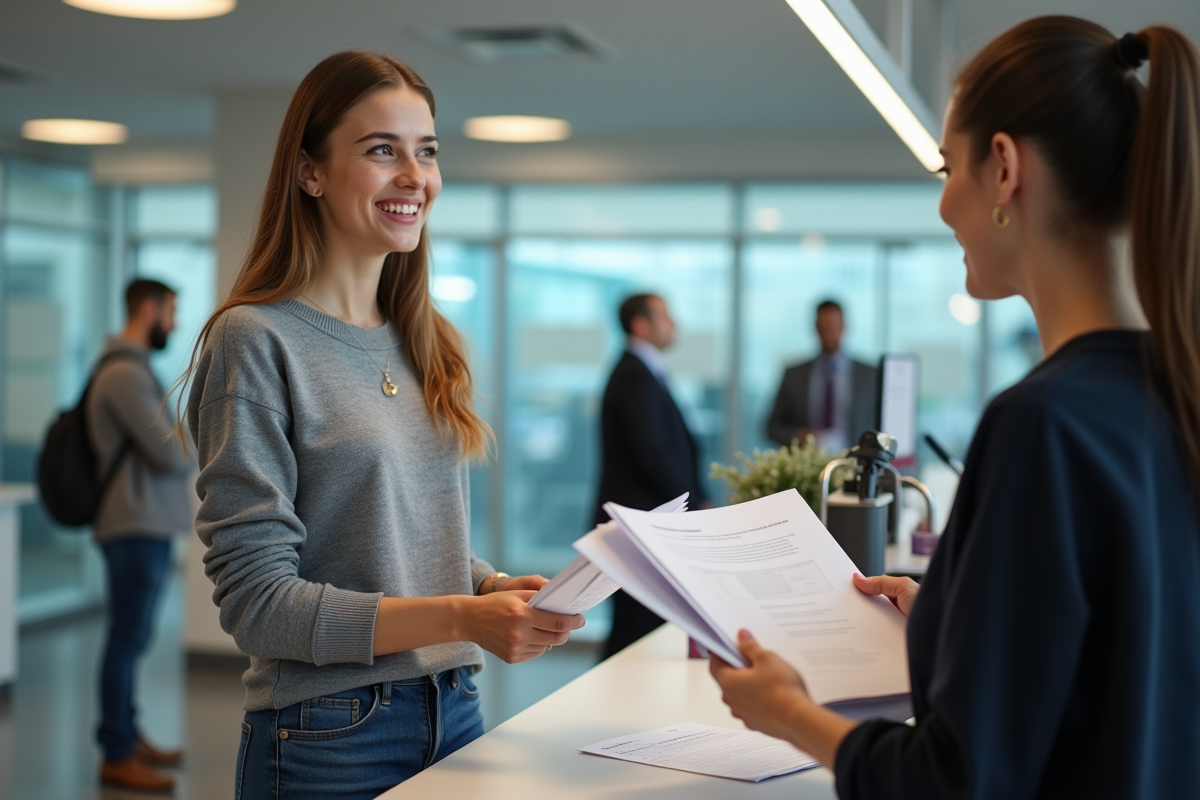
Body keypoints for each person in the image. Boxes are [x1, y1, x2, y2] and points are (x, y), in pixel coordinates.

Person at [711, 16, 1200, 799]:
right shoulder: (1174, 394)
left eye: (946, 168)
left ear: (1003, 168)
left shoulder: (1042, 423)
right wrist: (952, 624)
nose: (943, 205)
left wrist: (792, 714)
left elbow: (956, 780)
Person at [183, 52, 584, 800]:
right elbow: (257, 604)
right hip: (329, 731)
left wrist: (490, 586)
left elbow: (392, 534)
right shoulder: (256, 340)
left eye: (426, 152)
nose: (415, 177)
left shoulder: (425, 337)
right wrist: (463, 613)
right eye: (381, 151)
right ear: (310, 172)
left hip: (455, 704)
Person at [88, 278, 195, 791]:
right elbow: (171, 452)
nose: (173, 324)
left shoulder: (130, 368)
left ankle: (127, 735)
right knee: (126, 641)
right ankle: (116, 750)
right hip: (132, 526)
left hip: (140, 524)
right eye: (171, 313)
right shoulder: (125, 374)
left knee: (131, 638)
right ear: (149, 310)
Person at [594, 293, 709, 658]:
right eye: (665, 316)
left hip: (644, 520)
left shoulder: (642, 370)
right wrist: (693, 501)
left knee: (638, 628)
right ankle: (612, 706)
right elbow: (653, 454)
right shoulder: (634, 375)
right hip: (641, 524)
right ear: (641, 325)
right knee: (633, 632)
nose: (673, 324)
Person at [765, 300, 878, 452]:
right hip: (808, 465)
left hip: (857, 464)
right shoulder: (794, 375)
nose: (828, 331)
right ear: (815, 328)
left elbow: (881, 424)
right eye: (823, 326)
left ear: (844, 327)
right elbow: (772, 427)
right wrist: (799, 436)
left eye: (833, 325)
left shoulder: (870, 375)